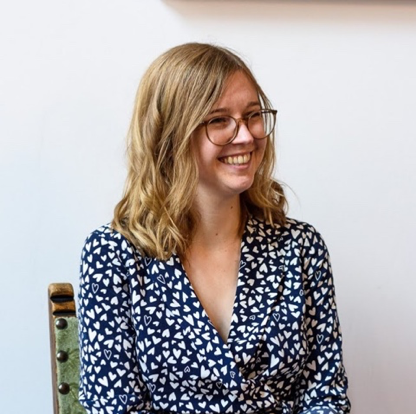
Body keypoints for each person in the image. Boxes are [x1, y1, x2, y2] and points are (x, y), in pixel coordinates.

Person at [78, 43, 350, 414]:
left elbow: (326, 396)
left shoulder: (300, 247)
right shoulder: (113, 255)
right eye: (220, 120)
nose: (247, 136)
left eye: (253, 115)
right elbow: (114, 406)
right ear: (170, 135)